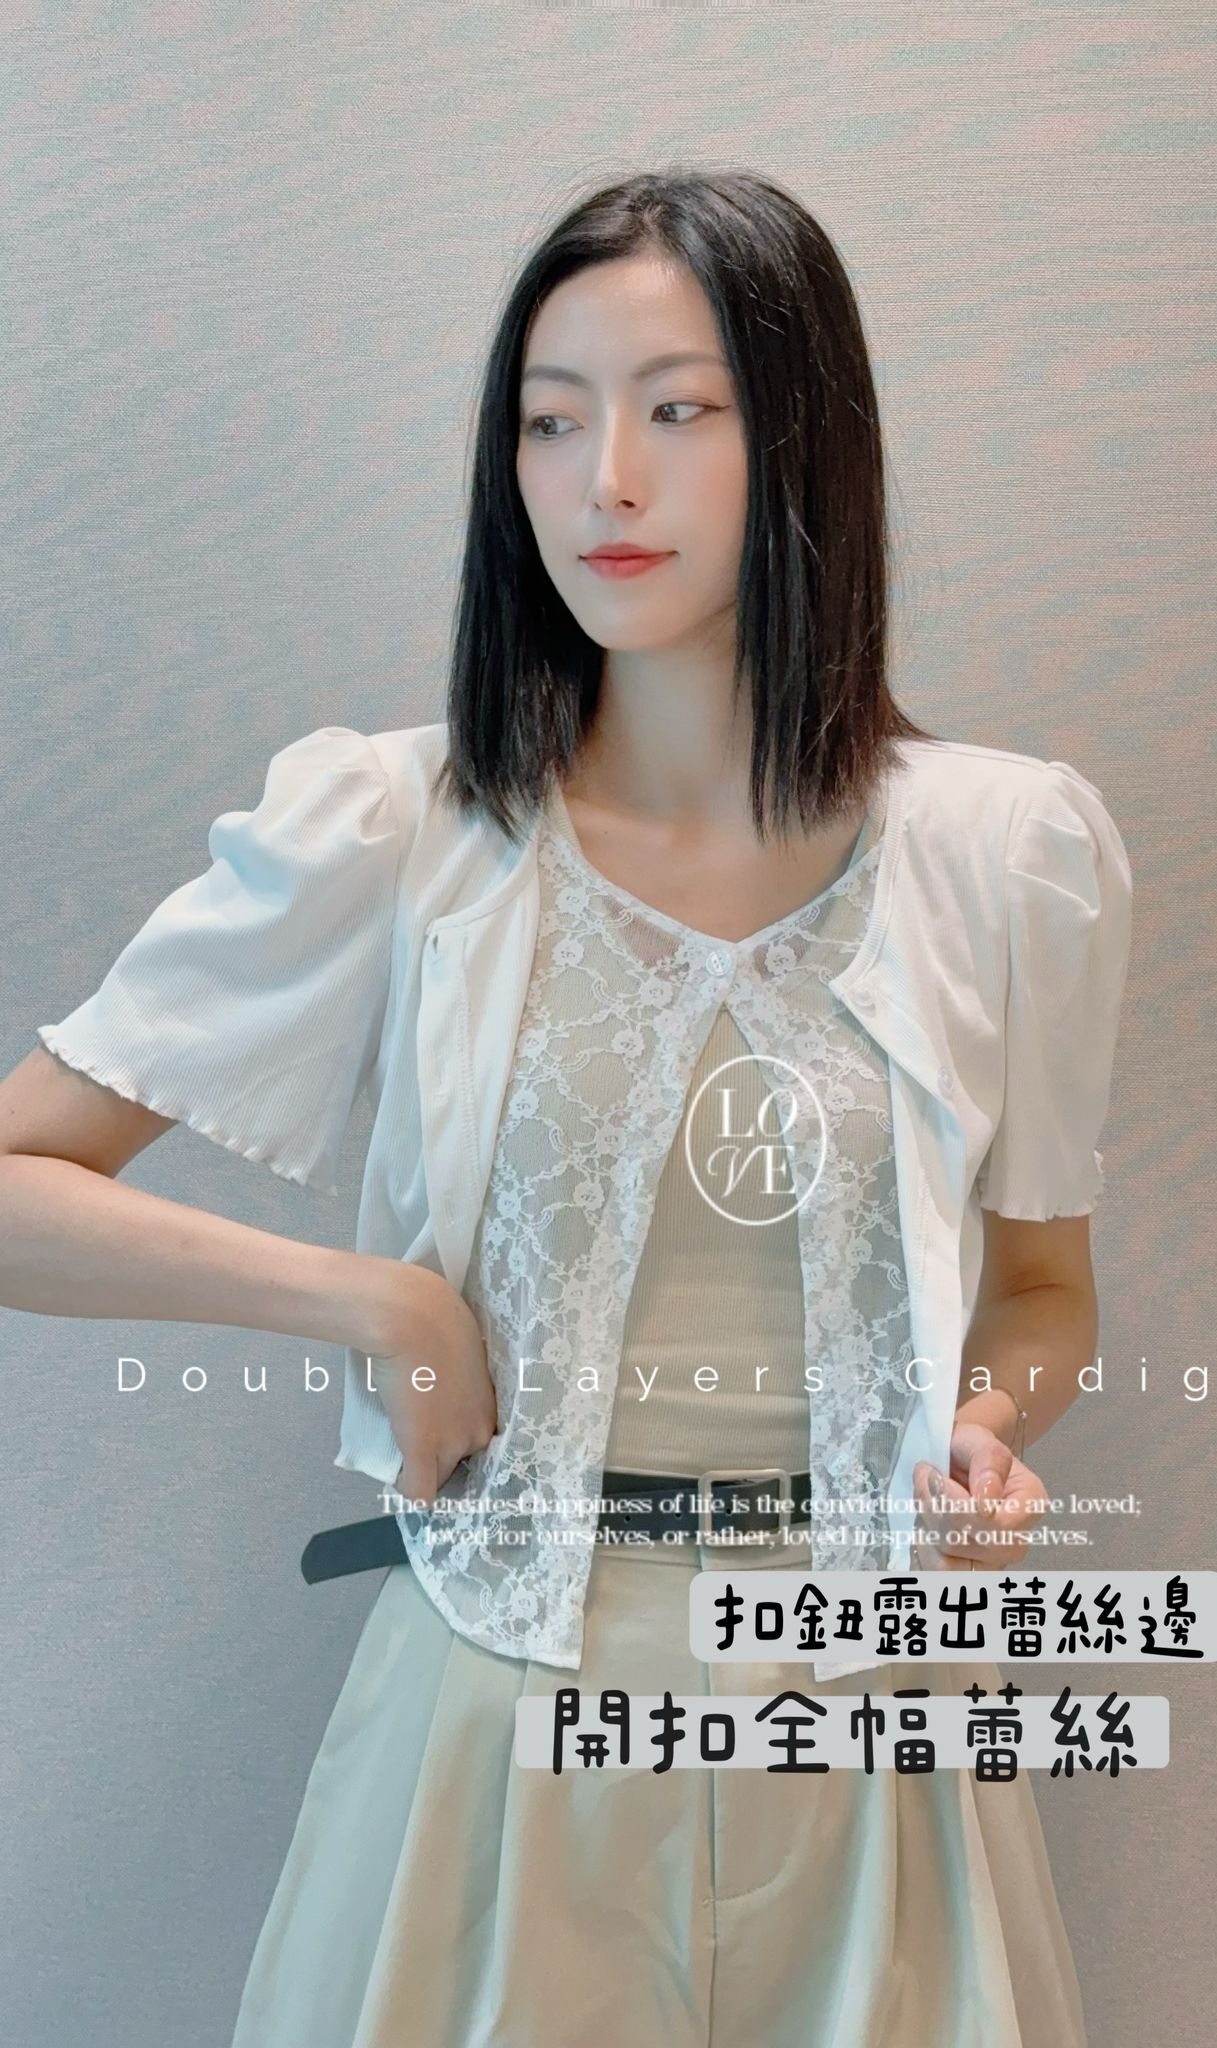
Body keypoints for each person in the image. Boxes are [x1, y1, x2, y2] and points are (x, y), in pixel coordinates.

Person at [2, 168, 1132, 2046]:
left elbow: (1041, 1287)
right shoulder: (400, 825)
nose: (603, 478)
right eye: (548, 419)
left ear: (805, 442)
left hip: (877, 1728)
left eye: (677, 409)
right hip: (498, 1715)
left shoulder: (1008, 850)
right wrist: (373, 1301)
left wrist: (990, 1433)